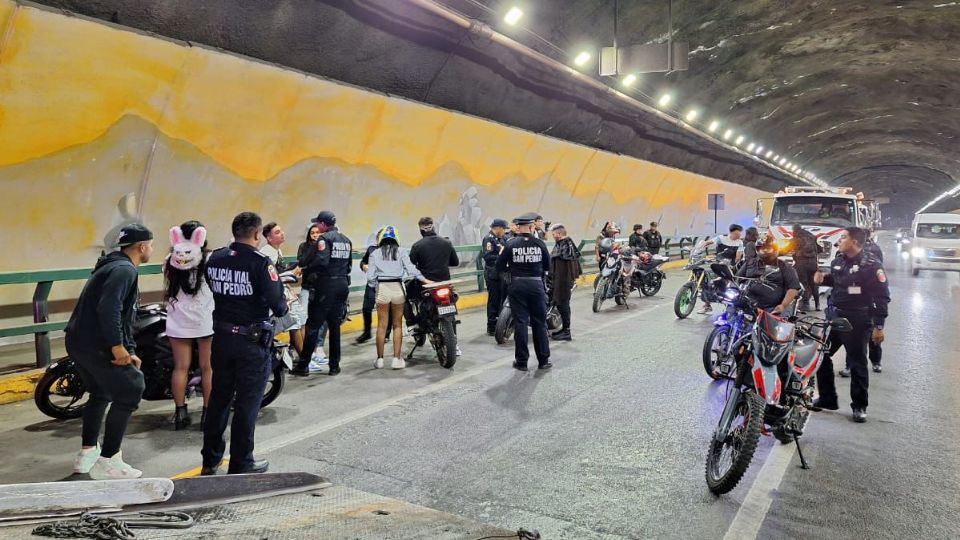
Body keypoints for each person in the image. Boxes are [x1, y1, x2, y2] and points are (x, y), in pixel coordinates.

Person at [201, 212, 286, 476]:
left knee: (218, 400)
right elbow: (278, 305)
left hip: (222, 339)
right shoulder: (260, 263)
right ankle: (241, 462)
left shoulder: (214, 258)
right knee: (248, 403)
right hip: (251, 342)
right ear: (257, 234)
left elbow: (213, 287)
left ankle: (210, 460)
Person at [66, 224, 153, 479]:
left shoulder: (110, 265)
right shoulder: (124, 270)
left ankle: (88, 452)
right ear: (142, 246)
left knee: (101, 391)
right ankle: (109, 460)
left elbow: (124, 315)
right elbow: (109, 310)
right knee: (131, 388)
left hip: (78, 341)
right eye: (151, 244)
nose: (151, 249)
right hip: (96, 343)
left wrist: (129, 348)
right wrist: (117, 347)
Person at [812, 227, 890, 423]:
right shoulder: (838, 260)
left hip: (858, 319)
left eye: (843, 237)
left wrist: (878, 326)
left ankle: (860, 406)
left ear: (855, 242)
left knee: (857, 362)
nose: (840, 240)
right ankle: (828, 398)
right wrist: (823, 279)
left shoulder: (871, 265)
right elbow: (839, 282)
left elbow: (882, 297)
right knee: (821, 355)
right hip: (835, 315)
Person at [163, 221, 214, 430]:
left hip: (178, 320)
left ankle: (180, 413)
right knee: (208, 368)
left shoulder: (170, 260)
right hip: (204, 320)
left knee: (181, 367)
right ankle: (207, 415)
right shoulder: (210, 259)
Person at [294, 211, 353, 376]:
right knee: (334, 326)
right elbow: (349, 266)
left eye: (318, 224)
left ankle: (303, 365)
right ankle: (334, 366)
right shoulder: (346, 240)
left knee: (313, 325)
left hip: (326, 285)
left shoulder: (324, 239)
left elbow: (322, 261)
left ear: (323, 224)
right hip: (342, 284)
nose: (317, 228)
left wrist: (306, 268)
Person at [366, 226, 433, 369]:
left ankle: (379, 360)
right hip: (397, 287)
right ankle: (396, 360)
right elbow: (411, 269)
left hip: (382, 288)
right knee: (397, 325)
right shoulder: (402, 251)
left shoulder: (375, 254)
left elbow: (370, 277)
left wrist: (374, 286)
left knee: (382, 325)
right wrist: (424, 280)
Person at [496, 213, 552, 371]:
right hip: (536, 285)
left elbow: (499, 266)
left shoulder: (511, 244)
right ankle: (543, 360)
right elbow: (548, 266)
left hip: (517, 285)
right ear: (532, 227)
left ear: (518, 227)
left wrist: (510, 279)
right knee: (539, 323)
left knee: (520, 322)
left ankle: (521, 362)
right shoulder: (540, 244)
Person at [260, 223, 306, 360]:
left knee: (300, 319)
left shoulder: (277, 251)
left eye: (281, 231)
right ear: (268, 237)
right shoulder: (267, 253)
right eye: (277, 232)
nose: (282, 233)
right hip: (277, 295)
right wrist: (290, 273)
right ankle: (304, 359)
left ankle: (300, 354)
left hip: (285, 291)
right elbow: (271, 278)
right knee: (295, 323)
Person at [736, 237, 801, 315]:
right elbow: (737, 278)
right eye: (762, 248)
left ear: (775, 250)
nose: (765, 250)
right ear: (757, 249)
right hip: (747, 302)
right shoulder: (750, 263)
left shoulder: (784, 266)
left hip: (771, 307)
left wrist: (783, 305)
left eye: (768, 248)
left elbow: (793, 288)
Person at [295, 224, 328, 372]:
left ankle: (317, 349)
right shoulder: (304, 246)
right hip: (308, 287)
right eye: (312, 233)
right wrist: (313, 248)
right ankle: (303, 352)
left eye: (317, 233)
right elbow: (302, 263)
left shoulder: (325, 247)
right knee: (303, 320)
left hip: (321, 287)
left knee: (320, 320)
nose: (315, 235)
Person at [698, 224, 744, 314]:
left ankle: (729, 307)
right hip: (717, 263)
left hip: (729, 266)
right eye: (737, 234)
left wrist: (733, 263)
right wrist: (702, 245)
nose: (739, 236)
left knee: (725, 285)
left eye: (740, 234)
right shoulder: (721, 238)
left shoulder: (740, 242)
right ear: (731, 232)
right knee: (707, 281)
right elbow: (708, 242)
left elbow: (738, 256)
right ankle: (707, 305)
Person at [548, 223, 581, 341]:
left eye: (554, 234)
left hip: (562, 282)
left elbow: (562, 265)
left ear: (559, 234)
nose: (553, 236)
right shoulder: (566, 244)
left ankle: (567, 332)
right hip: (562, 281)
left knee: (563, 305)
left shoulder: (565, 246)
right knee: (562, 305)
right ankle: (564, 330)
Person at [481, 219, 509, 336]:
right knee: (494, 300)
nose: (504, 232)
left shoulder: (502, 239)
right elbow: (488, 256)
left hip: (501, 274)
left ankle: (500, 323)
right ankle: (491, 326)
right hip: (493, 274)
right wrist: (501, 256)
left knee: (501, 299)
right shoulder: (489, 239)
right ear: (497, 228)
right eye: (503, 229)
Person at [356, 230, 383, 345]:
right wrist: (363, 266)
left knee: (385, 310)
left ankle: (386, 333)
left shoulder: (392, 250)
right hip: (372, 284)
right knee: (366, 308)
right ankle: (367, 332)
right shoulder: (371, 249)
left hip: (385, 285)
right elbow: (363, 261)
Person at [791, 224, 820, 311]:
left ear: (794, 230)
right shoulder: (811, 237)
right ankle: (817, 305)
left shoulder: (796, 238)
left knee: (803, 283)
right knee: (813, 283)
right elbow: (819, 249)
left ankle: (805, 304)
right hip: (813, 263)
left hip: (801, 263)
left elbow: (786, 248)